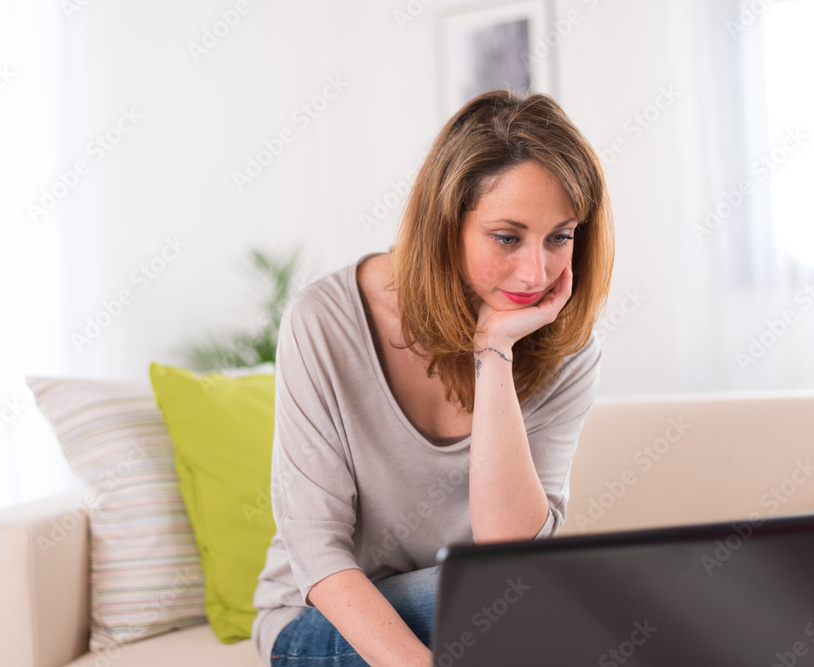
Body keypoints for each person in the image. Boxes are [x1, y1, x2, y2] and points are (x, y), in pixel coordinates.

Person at [251, 88, 614, 667]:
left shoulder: (565, 351)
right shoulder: (324, 320)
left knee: (537, 598)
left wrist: (494, 350)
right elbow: (318, 552)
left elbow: (508, 550)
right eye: (507, 237)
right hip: (321, 619)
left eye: (560, 236)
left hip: (475, 616)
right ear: (445, 225)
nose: (537, 271)